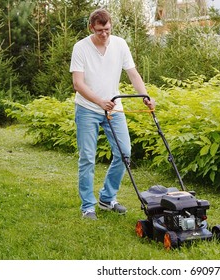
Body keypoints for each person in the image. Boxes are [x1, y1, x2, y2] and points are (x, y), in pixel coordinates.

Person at [70, 8, 155, 220]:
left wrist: (144, 95)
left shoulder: (120, 44)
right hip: (88, 109)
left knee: (124, 153)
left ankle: (107, 198)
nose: (104, 34)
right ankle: (87, 207)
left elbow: (133, 74)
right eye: (99, 30)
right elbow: (77, 84)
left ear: (111, 26)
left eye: (107, 29)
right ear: (91, 28)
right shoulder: (81, 48)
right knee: (87, 158)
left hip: (114, 108)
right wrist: (99, 101)